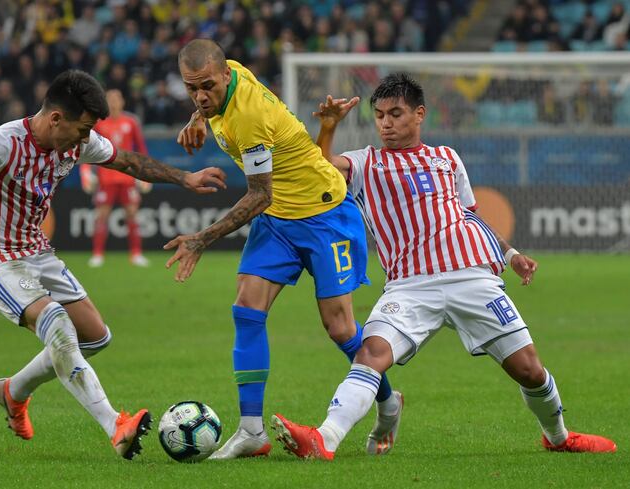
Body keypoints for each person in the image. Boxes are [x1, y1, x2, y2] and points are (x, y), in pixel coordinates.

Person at [0, 70, 226, 460]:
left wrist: (184, 177)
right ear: (56, 118)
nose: (86, 139)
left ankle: (13, 392)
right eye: (82, 130)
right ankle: (116, 425)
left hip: (35, 249)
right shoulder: (4, 142)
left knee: (95, 337)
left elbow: (127, 161)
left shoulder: (77, 141)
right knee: (58, 324)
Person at [271, 73, 617, 459]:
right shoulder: (365, 163)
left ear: (419, 114)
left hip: (472, 278)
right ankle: (324, 439)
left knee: (530, 371)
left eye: (396, 113)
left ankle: (558, 437)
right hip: (409, 286)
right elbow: (319, 169)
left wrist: (510, 254)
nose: (386, 123)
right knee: (372, 353)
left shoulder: (447, 158)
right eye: (380, 115)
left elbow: (470, 217)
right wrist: (329, 126)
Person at [169, 39, 401, 459]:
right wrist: (198, 117)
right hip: (279, 219)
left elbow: (258, 194)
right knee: (247, 307)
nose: (201, 96)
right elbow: (209, 102)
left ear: (225, 76)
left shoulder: (250, 118)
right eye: (191, 89)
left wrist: (202, 239)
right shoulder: (229, 70)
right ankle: (251, 431)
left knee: (341, 329)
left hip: (323, 213)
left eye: (207, 87)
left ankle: (387, 401)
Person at [80, 89, 151, 268]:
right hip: (106, 178)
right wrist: (86, 172)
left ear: (122, 101)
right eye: (110, 99)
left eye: (116, 99)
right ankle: (97, 254)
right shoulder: (98, 123)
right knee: (101, 216)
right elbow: (86, 149)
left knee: (132, 216)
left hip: (127, 177)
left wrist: (145, 175)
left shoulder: (131, 122)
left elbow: (141, 150)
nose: (113, 102)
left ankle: (136, 254)